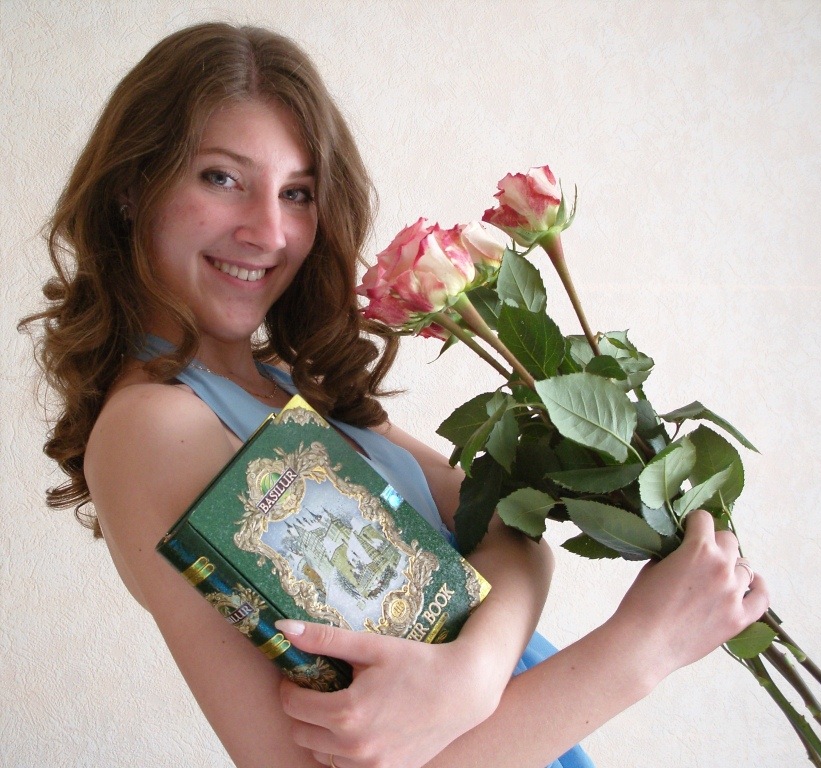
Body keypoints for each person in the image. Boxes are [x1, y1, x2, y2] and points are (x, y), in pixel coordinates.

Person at [20, 22, 769, 768]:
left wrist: (474, 673)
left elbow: (503, 523)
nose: (269, 231)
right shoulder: (157, 426)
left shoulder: (284, 382)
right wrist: (643, 648)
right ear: (130, 187)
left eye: (298, 192)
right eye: (222, 178)